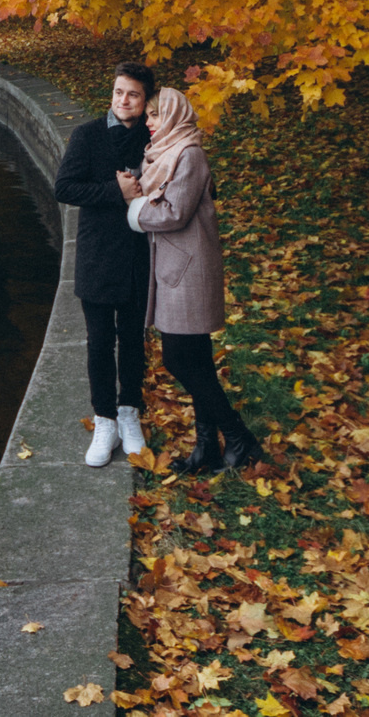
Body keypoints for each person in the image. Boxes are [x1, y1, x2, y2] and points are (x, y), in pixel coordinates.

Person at [123, 88, 266, 474]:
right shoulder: (163, 153)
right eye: (148, 115)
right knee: (198, 359)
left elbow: (174, 213)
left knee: (178, 358)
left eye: (154, 115)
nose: (148, 122)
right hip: (175, 267)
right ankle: (209, 448)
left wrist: (133, 208)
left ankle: (239, 437)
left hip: (189, 269)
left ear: (172, 115)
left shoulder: (189, 154)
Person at [54, 62, 157, 466]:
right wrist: (113, 190)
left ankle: (130, 411)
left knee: (133, 336)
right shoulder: (88, 135)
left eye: (132, 94)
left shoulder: (155, 137)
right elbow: (64, 187)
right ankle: (105, 418)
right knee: (99, 339)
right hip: (97, 253)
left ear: (146, 98)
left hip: (139, 253)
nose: (123, 101)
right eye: (118, 92)